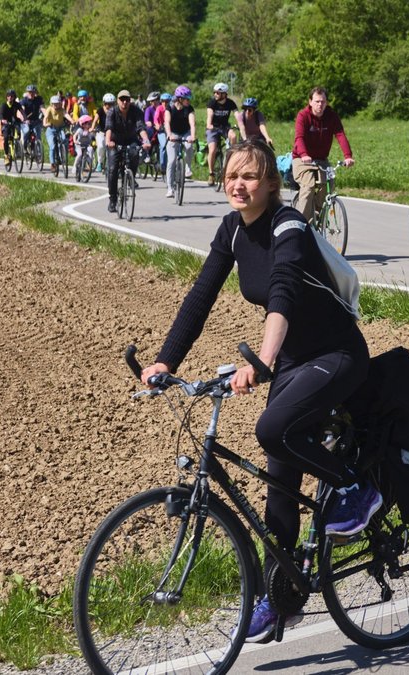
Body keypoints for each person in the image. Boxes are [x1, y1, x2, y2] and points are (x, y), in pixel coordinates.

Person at [141, 139, 377, 643]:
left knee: (272, 429)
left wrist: (263, 362)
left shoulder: (288, 225)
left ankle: (357, 490)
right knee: (279, 482)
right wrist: (166, 360)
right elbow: (201, 295)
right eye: (231, 176)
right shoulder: (231, 229)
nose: (238, 185)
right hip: (293, 360)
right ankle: (282, 596)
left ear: (271, 183)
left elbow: (284, 293)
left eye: (249, 176)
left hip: (335, 355)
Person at [292, 87, 355, 223]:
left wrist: (348, 156)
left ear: (326, 102)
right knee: (308, 186)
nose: (320, 105)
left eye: (323, 102)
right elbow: (299, 138)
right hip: (302, 159)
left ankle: (317, 215)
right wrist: (303, 154)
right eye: (317, 101)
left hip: (321, 159)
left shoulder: (331, 116)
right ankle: (300, 224)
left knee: (328, 185)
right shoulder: (303, 116)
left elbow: (340, 135)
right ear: (310, 102)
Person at [104, 89, 152, 212]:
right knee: (113, 169)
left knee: (134, 153)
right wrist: (108, 141)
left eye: (127, 99)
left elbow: (140, 127)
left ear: (130, 101)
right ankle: (113, 199)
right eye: (122, 99)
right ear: (118, 101)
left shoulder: (136, 111)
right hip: (115, 142)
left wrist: (146, 140)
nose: (124, 102)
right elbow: (109, 127)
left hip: (131, 140)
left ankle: (131, 176)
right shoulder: (112, 112)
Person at [164, 86, 197, 200]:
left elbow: (192, 124)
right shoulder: (170, 107)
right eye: (186, 99)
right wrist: (169, 135)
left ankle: (188, 168)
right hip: (173, 133)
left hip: (185, 132)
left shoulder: (189, 108)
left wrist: (192, 136)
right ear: (179, 99)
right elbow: (167, 122)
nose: (188, 101)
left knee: (188, 145)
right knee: (171, 160)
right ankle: (170, 188)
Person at [205, 82, 238, 185]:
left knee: (233, 136)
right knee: (213, 149)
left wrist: (241, 124)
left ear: (224, 94)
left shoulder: (230, 103)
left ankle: (230, 158)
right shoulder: (212, 103)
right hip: (213, 128)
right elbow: (209, 115)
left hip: (225, 127)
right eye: (214, 92)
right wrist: (209, 124)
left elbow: (237, 115)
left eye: (218, 93)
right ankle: (211, 174)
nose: (215, 94)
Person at [43, 95, 69, 173]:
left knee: (64, 140)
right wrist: (45, 124)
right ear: (51, 104)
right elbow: (46, 117)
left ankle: (62, 156)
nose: (56, 105)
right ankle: (52, 164)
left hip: (60, 128)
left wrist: (72, 120)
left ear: (60, 103)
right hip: (51, 129)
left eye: (57, 103)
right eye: (54, 103)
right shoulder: (49, 109)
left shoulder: (62, 110)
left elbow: (66, 115)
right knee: (53, 146)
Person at [0, 89, 22, 169]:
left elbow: (22, 112)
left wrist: (25, 119)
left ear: (14, 97)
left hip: (14, 122)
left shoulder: (17, 104)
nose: (10, 97)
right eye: (8, 96)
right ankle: (6, 155)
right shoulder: (4, 105)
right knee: (6, 138)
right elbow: (0, 114)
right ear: (6, 97)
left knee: (18, 134)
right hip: (6, 124)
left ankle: (18, 149)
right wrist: (2, 120)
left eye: (12, 96)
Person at [19, 84, 44, 156]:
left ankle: (38, 152)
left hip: (35, 121)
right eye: (29, 92)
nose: (31, 94)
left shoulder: (38, 99)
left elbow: (43, 109)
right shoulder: (24, 101)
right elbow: (22, 110)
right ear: (27, 92)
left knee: (38, 136)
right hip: (26, 121)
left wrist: (47, 117)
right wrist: (24, 119)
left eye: (33, 92)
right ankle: (24, 147)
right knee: (26, 131)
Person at [95, 93, 115, 173]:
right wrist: (92, 127)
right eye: (108, 104)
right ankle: (99, 162)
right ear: (104, 103)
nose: (110, 106)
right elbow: (95, 120)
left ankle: (109, 165)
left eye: (112, 104)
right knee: (100, 147)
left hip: (111, 132)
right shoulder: (100, 110)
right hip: (101, 132)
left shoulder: (115, 111)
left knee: (110, 149)